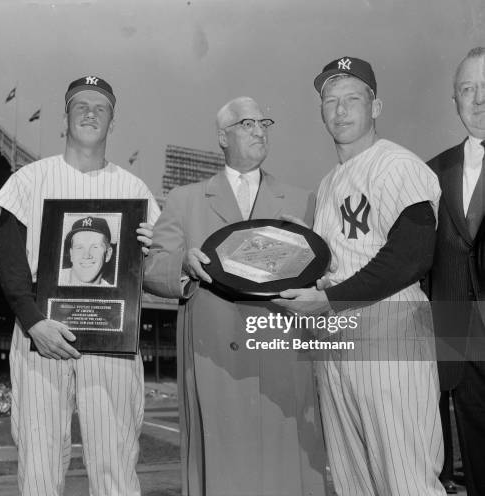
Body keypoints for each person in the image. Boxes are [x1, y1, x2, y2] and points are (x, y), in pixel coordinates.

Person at [273, 57, 446, 495]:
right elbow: (342, 260)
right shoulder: (330, 183)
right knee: (355, 483)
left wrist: (328, 301)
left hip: (390, 335)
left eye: (353, 98)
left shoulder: (398, 165)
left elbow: (410, 257)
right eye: (330, 101)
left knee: (407, 480)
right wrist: (303, 246)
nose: (340, 110)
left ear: (376, 106)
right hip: (339, 339)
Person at [144, 96, 326, 496]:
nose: (259, 130)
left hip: (282, 355)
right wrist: (182, 266)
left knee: (286, 471)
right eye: (246, 124)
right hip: (216, 360)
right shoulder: (184, 199)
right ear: (222, 137)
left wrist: (313, 256)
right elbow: (152, 268)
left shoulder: (303, 200)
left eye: (264, 123)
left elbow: (328, 274)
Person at [0, 75, 160, 496]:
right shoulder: (28, 180)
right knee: (40, 463)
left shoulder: (133, 189)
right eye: (80, 105)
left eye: (100, 107)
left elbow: (152, 271)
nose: (90, 113)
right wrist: (32, 322)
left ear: (112, 121)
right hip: (40, 333)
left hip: (113, 339)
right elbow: (10, 263)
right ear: (65, 117)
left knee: (115, 462)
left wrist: (157, 250)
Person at [427, 47, 485, 496]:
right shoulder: (432, 171)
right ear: (455, 101)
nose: (478, 99)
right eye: (467, 89)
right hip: (456, 338)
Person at [59, 216, 114, 286]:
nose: (86, 255)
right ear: (71, 254)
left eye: (95, 247)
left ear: (108, 254)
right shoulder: (53, 280)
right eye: (79, 247)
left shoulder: (111, 294)